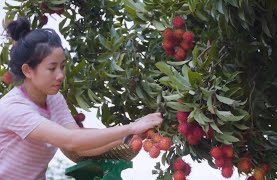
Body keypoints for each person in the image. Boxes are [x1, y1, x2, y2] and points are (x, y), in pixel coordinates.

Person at [0, 17, 163, 179]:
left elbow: (81, 146)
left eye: (62, 67)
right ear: (27, 70)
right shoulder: (14, 108)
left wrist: (127, 137)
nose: (60, 75)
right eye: (52, 68)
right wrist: (131, 127)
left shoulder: (53, 99)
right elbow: (71, 140)